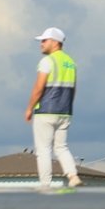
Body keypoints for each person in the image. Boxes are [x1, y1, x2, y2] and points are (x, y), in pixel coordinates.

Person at [24, 27, 83, 189]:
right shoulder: (71, 63)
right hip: (65, 111)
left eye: (44, 40)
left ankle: (45, 185)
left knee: (43, 150)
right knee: (61, 147)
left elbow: (39, 87)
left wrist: (29, 108)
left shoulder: (47, 61)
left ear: (55, 42)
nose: (41, 44)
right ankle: (73, 176)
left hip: (46, 110)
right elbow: (74, 89)